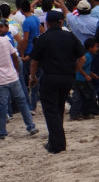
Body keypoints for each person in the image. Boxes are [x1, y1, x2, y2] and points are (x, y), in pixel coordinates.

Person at [30, 11, 86, 154]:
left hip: (50, 78)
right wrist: (75, 71)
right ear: (61, 22)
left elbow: (34, 62)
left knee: (51, 111)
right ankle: (57, 141)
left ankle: (57, 145)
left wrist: (33, 77)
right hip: (67, 78)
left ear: (47, 23)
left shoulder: (43, 38)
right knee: (59, 108)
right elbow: (82, 58)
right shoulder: (70, 37)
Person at [0, 21, 38, 140]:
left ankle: (2, 132)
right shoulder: (5, 40)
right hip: (12, 76)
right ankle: (31, 126)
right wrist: (15, 70)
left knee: (2, 107)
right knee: (22, 103)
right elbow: (15, 56)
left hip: (0, 81)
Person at [68, 38, 99, 120]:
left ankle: (75, 114)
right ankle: (86, 113)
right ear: (90, 47)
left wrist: (91, 74)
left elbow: (85, 67)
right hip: (81, 80)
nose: (97, 49)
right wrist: (86, 75)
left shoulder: (87, 55)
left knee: (78, 97)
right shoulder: (86, 56)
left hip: (79, 79)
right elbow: (79, 67)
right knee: (90, 96)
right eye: (96, 47)